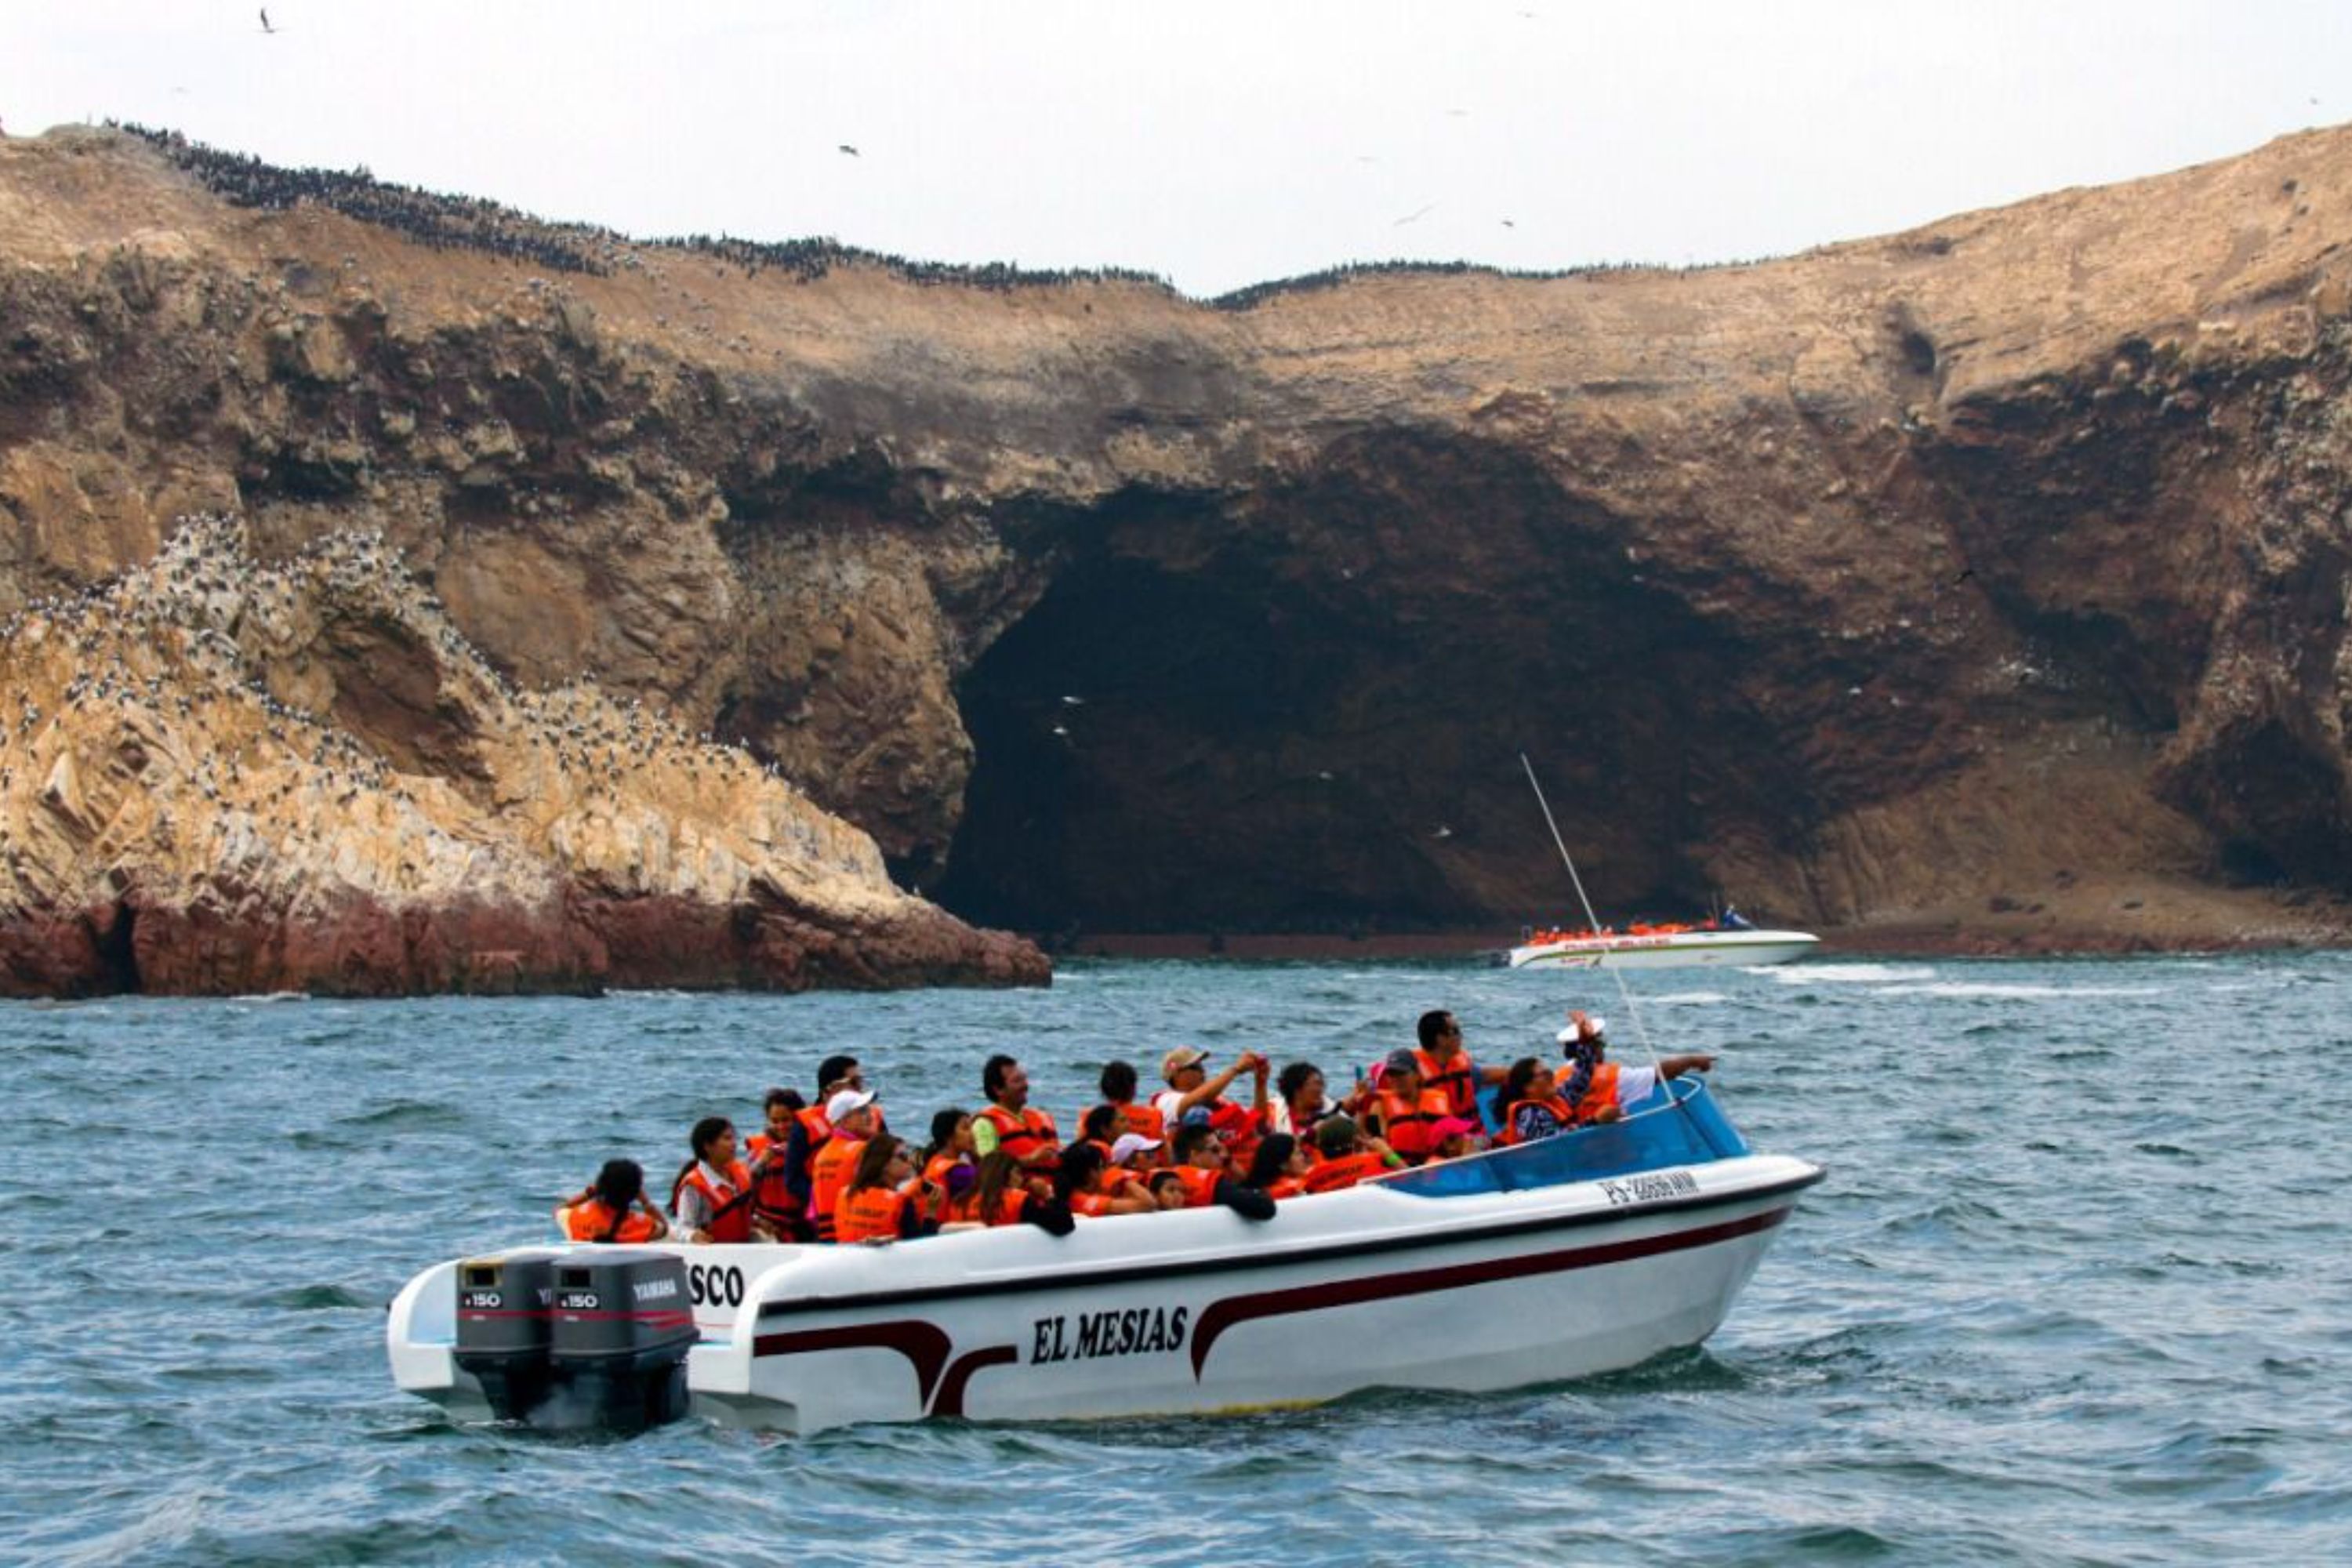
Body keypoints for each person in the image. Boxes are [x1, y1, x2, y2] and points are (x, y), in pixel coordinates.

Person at [1558, 1011, 1716, 1121]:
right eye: (1600, 1042)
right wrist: (1693, 1060)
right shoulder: (1613, 1076)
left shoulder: (1558, 1077)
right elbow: (1660, 1074)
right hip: (1611, 1148)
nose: (1603, 1047)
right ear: (1591, 1046)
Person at [834, 1134, 938, 1243]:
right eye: (903, 1156)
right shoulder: (900, 1203)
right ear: (884, 1164)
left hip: (847, 1252)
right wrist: (931, 1212)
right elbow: (920, 1246)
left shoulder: (844, 1194)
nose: (909, 1161)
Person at [1162, 1122, 1277, 1219]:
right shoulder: (1210, 1183)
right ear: (1195, 1155)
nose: (1222, 1155)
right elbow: (1265, 1208)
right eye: (1215, 1150)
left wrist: (1229, 1163)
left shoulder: (1162, 1179)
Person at [808, 1088, 880, 1242]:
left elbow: (813, 1211)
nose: (870, 1116)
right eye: (862, 1111)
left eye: (868, 1109)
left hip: (826, 1237)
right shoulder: (862, 1149)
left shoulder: (822, 1156)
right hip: (856, 1237)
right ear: (844, 1121)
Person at [670, 1116, 756, 1244]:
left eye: (734, 1138)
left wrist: (757, 1220)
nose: (734, 1144)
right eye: (727, 1139)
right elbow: (683, 1228)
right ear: (708, 1146)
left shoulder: (740, 1171)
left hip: (744, 1245)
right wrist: (693, 1236)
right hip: (714, 1249)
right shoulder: (693, 1185)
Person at [1413, 1011, 1509, 1121]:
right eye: (1455, 1031)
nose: (1461, 1036)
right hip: (1439, 1129)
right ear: (1440, 1039)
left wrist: (1519, 1074)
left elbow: (1484, 1076)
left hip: (1467, 1127)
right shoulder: (1412, 1076)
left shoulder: (1461, 1066)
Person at [973, 1054, 1062, 1171]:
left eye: (1024, 1079)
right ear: (998, 1090)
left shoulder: (1042, 1116)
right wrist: (1031, 1159)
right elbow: (989, 1167)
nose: (1025, 1085)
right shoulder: (985, 1123)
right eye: (1017, 1081)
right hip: (1021, 1181)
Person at [1364, 1049, 1451, 1163]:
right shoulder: (1379, 1106)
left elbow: (1456, 1142)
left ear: (1417, 1075)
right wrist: (1397, 1163)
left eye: (1401, 1073)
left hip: (1437, 1166)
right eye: (1391, 1074)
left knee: (1435, 1161)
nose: (1395, 1079)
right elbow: (1378, 1150)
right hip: (1397, 1168)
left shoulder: (1439, 1101)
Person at [558, 1158, 670, 1243]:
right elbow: (664, 1229)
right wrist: (645, 1202)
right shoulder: (642, 1225)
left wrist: (589, 1193)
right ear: (635, 1192)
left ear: (600, 1185)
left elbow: (561, 1208)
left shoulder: (575, 1217)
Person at [746, 1087, 807, 1240]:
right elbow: (745, 1190)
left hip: (803, 1224)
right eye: (775, 1121)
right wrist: (761, 1163)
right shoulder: (758, 1149)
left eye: (786, 1120)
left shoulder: (810, 1147)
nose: (781, 1126)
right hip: (767, 1225)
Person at [965, 1150, 1076, 1234]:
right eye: (1018, 1173)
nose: (1022, 1180)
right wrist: (1048, 1195)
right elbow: (1064, 1224)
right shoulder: (1016, 1200)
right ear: (1005, 1175)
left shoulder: (961, 1202)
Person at [1056, 1142, 1156, 1217]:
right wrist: (1122, 1178)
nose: (1106, 1171)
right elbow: (1148, 1204)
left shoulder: (1070, 1193)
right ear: (1092, 1173)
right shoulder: (1083, 1201)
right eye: (1102, 1166)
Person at [1301, 1116, 1396, 1194]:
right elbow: (1403, 1175)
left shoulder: (1310, 1178)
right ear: (1355, 1141)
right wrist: (1387, 1152)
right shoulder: (1376, 1161)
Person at [1496, 1055, 1576, 1145]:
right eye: (1545, 1074)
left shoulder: (1554, 1100)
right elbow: (1554, 1145)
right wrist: (1586, 1125)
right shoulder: (1532, 1114)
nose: (1551, 1076)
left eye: (1550, 1072)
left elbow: (1579, 1081)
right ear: (1528, 1087)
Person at [1095, 1060, 1165, 1141]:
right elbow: (1163, 1146)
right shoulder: (1154, 1115)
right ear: (1133, 1088)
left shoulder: (1091, 1117)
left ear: (1103, 1088)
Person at [1272, 1062, 1338, 1143]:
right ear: (1297, 1090)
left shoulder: (1328, 1106)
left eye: (1322, 1084)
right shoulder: (1275, 1109)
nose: (1321, 1089)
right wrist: (1310, 1133)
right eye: (1317, 1084)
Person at [1240, 1132, 1310, 1200]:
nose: (1303, 1158)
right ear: (1283, 1165)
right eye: (1298, 1154)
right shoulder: (1292, 1192)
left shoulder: (1249, 1193)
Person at [920, 1106, 976, 1189]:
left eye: (972, 1128)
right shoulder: (958, 1172)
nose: (973, 1133)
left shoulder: (934, 1160)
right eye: (965, 1128)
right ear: (948, 1136)